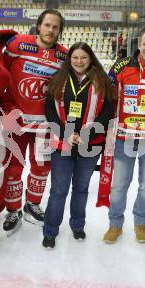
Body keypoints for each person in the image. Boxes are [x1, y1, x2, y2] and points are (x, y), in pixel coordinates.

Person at [1, 9, 67, 235]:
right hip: (17, 123)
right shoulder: (17, 45)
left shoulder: (64, 56)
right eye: (47, 25)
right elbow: (0, 72)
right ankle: (12, 209)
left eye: (55, 27)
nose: (51, 30)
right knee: (13, 168)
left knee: (41, 167)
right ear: (39, 25)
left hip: (45, 126)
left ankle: (32, 204)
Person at [42, 42, 114, 248]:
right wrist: (66, 134)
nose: (79, 61)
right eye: (75, 57)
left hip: (90, 144)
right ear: (69, 59)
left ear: (90, 58)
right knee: (59, 189)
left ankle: (77, 225)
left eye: (83, 57)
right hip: (62, 144)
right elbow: (49, 111)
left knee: (81, 188)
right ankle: (50, 230)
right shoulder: (58, 79)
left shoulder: (102, 81)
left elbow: (108, 111)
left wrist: (87, 133)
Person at [103, 29, 145, 244]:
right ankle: (115, 224)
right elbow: (108, 98)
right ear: (139, 44)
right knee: (119, 185)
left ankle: (140, 223)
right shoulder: (121, 67)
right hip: (125, 137)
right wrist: (108, 128)